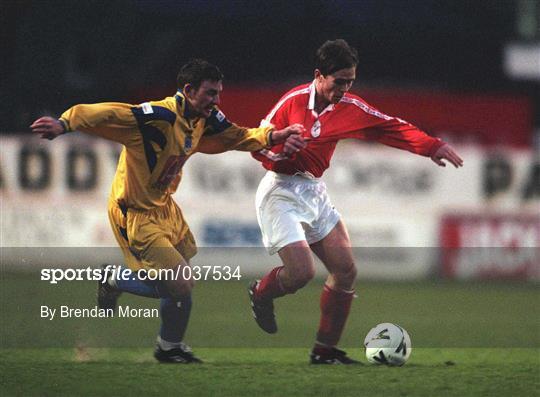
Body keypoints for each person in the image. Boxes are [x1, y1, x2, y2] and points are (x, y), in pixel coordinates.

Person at [31, 59, 307, 364]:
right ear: (188, 90)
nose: (216, 101)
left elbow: (236, 136)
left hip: (163, 206)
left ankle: (169, 346)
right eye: (210, 93)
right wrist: (64, 123)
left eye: (218, 94)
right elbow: (107, 112)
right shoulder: (157, 116)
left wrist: (272, 137)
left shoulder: (205, 116)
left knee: (180, 282)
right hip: (133, 210)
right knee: (180, 283)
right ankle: (114, 278)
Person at [248, 39, 463, 364]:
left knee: (346, 271)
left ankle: (324, 351)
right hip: (280, 191)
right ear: (319, 75)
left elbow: (391, 127)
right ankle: (261, 293)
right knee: (301, 274)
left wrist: (431, 146)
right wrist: (278, 151)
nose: (345, 89)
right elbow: (256, 144)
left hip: (314, 191)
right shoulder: (291, 103)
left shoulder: (351, 108)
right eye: (339, 82)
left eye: (350, 81)